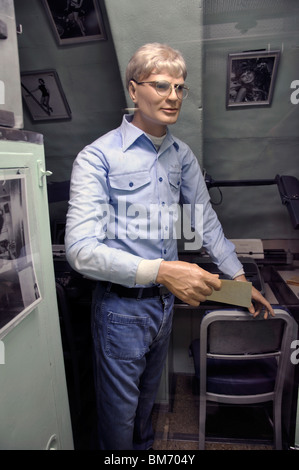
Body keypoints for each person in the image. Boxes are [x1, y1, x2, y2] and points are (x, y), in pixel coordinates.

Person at [65, 43, 274, 450]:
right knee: (118, 421)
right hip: (120, 311)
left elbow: (204, 222)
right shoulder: (98, 157)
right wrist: (162, 270)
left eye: (180, 88)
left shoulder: (181, 156)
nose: (173, 97)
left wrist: (238, 279)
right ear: (133, 89)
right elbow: (80, 249)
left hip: (162, 306)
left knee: (146, 410)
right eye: (161, 86)